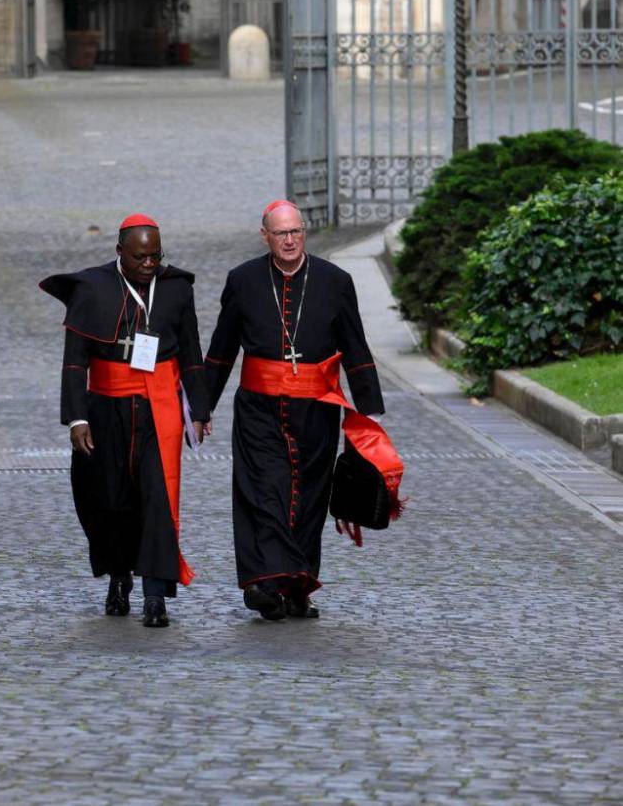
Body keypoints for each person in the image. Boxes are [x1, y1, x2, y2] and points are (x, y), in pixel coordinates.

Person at [201, 200, 393, 621]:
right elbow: (221, 350)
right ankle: (263, 584)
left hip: (317, 410)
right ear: (265, 236)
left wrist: (370, 414)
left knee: (310, 498)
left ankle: (298, 588)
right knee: (264, 492)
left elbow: (356, 348)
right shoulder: (243, 280)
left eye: (296, 232)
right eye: (281, 233)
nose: (290, 240)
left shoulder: (335, 281)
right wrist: (202, 406)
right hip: (258, 410)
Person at [40, 214, 209, 628]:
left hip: (158, 408)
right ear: (120, 252)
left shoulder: (176, 288)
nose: (150, 264)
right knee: (108, 501)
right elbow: (75, 361)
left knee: (157, 498)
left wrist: (200, 411)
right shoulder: (92, 288)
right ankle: (119, 576)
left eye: (156, 256)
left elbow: (190, 352)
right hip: (105, 410)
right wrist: (76, 419)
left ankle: (155, 595)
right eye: (140, 257)